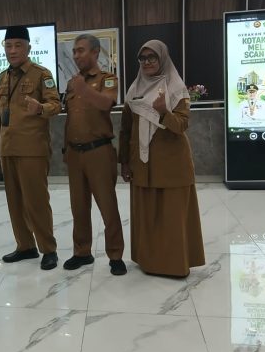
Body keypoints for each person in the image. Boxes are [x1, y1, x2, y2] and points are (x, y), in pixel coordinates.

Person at [119, 39, 205, 277]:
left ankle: (175, 265)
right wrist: (124, 162)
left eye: (152, 58)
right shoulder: (134, 90)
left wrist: (163, 111)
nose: (147, 62)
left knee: (171, 216)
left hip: (171, 165)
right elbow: (125, 129)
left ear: (163, 59)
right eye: (143, 58)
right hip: (142, 164)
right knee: (147, 215)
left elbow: (181, 125)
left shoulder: (176, 89)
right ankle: (150, 262)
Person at [0, 26, 61, 270]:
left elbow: (56, 105)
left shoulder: (41, 74)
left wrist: (40, 108)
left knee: (36, 201)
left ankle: (48, 249)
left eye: (18, 45)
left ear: (28, 47)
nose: (13, 50)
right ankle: (25, 246)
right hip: (8, 148)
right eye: (8, 46)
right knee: (15, 202)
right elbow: (0, 115)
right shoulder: (3, 77)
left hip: (32, 149)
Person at [62, 34, 126, 275]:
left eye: (81, 50)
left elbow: (106, 104)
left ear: (96, 52)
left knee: (107, 207)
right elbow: (70, 119)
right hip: (75, 153)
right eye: (74, 51)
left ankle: (115, 255)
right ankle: (82, 252)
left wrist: (85, 90)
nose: (76, 55)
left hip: (99, 151)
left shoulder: (107, 79)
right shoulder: (72, 83)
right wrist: (66, 150)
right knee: (78, 207)